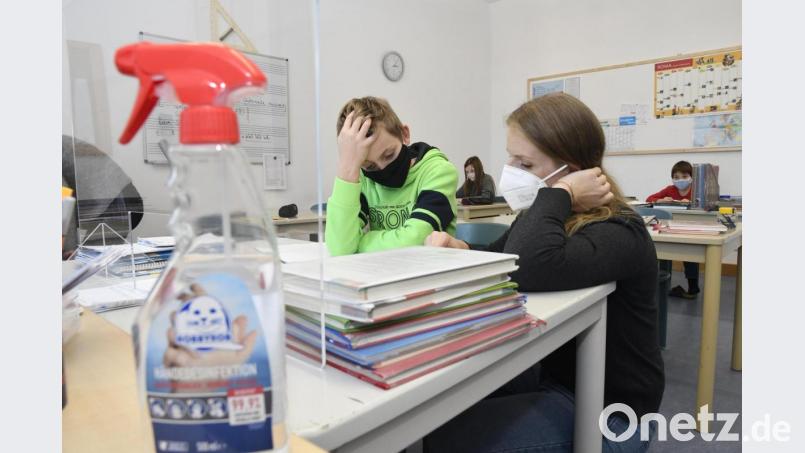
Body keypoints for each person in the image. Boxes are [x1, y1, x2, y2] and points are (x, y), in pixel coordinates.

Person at [423, 93, 664, 452]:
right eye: (511, 158)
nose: (511, 171)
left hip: (611, 411)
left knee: (440, 441)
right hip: (553, 377)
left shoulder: (618, 229)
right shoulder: (548, 216)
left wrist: (561, 192)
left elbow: (531, 266)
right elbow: (508, 255)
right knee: (433, 413)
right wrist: (465, 250)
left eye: (524, 163)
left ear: (570, 168)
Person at [325, 97, 458, 256]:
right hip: (381, 273)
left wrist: (360, 242)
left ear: (405, 134)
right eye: (370, 166)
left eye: (388, 155)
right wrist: (347, 169)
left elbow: (415, 241)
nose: (383, 169)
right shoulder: (362, 178)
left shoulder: (438, 171)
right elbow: (339, 248)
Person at [646, 160, 701, 299]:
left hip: (691, 228)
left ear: (691, 177)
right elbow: (649, 198)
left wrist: (692, 203)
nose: (680, 180)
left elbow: (706, 204)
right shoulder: (670, 189)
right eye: (676, 177)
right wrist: (661, 200)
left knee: (690, 254)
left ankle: (693, 288)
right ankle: (660, 283)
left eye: (684, 176)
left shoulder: (697, 189)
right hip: (670, 227)